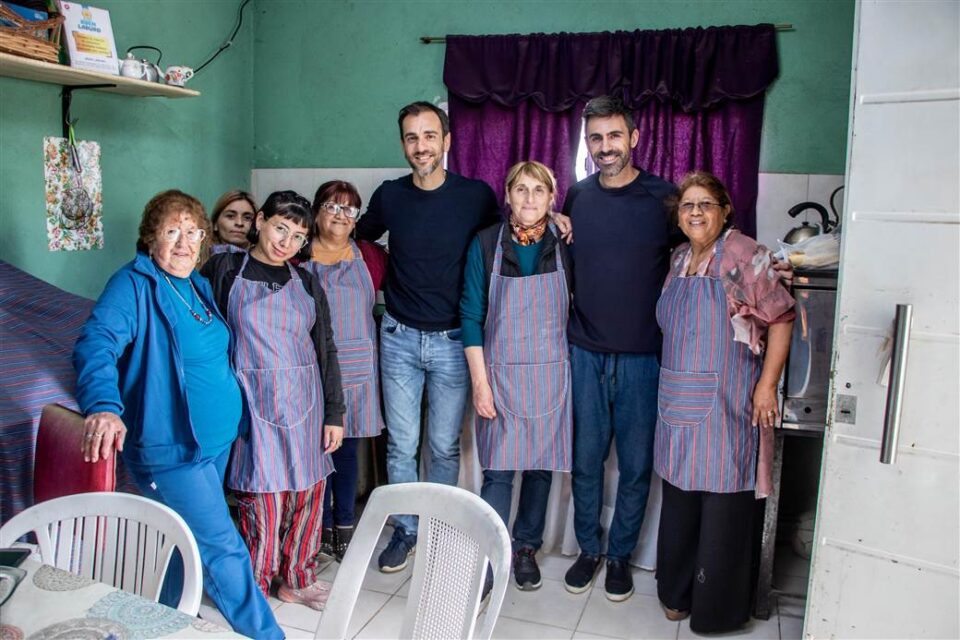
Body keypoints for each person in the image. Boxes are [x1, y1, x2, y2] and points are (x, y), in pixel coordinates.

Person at [73, 190, 283, 639]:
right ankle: (269, 636)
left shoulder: (196, 284)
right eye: (172, 231)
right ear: (151, 238)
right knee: (223, 549)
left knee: (173, 546)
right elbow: (96, 344)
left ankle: (160, 625)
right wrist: (104, 407)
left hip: (214, 442)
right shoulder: (131, 285)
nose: (185, 242)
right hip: (171, 448)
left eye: (193, 232)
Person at [354, 101, 501, 572]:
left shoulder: (475, 196)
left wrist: (558, 221)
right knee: (400, 445)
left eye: (429, 136)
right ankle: (406, 530)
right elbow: (358, 239)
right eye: (412, 138)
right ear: (404, 144)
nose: (421, 146)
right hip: (397, 336)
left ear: (447, 141)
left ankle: (438, 526)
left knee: (442, 446)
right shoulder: (390, 196)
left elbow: (507, 238)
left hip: (455, 341)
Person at [654, 171, 794, 632]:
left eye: (705, 204)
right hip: (678, 402)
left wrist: (766, 385)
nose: (695, 213)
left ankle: (715, 610)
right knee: (679, 499)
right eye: (688, 205)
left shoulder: (744, 255)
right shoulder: (678, 259)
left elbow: (781, 318)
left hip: (728, 403)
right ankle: (675, 595)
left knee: (722, 502)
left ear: (724, 210)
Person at [201, 190, 345, 611]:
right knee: (261, 495)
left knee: (307, 492)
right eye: (281, 227)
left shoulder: (307, 282)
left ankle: (297, 578)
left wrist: (334, 413)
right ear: (260, 221)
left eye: (298, 236)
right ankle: (255, 583)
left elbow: (326, 349)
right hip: (252, 402)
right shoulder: (224, 269)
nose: (286, 241)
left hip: (306, 402)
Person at [560, 95, 678, 602]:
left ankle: (619, 557)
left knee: (635, 466)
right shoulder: (576, 197)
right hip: (583, 351)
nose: (604, 147)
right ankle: (589, 549)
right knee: (585, 463)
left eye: (613, 136)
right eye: (595, 138)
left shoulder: (665, 199)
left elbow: (695, 258)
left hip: (643, 357)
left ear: (634, 137)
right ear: (586, 143)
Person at [460, 161, 573, 592]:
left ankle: (526, 548)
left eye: (538, 191)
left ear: (551, 197)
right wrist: (480, 382)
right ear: (507, 195)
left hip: (551, 373)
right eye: (520, 190)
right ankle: (493, 553)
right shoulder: (487, 243)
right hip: (500, 374)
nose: (529, 199)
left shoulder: (564, 242)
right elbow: (471, 314)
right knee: (500, 472)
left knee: (541, 468)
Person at [303, 180, 387, 562]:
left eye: (349, 210)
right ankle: (317, 530)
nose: (340, 216)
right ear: (316, 211)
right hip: (314, 367)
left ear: (357, 220)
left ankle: (344, 529)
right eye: (332, 207)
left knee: (348, 452)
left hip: (358, 368)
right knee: (316, 453)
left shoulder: (371, 256)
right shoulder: (297, 256)